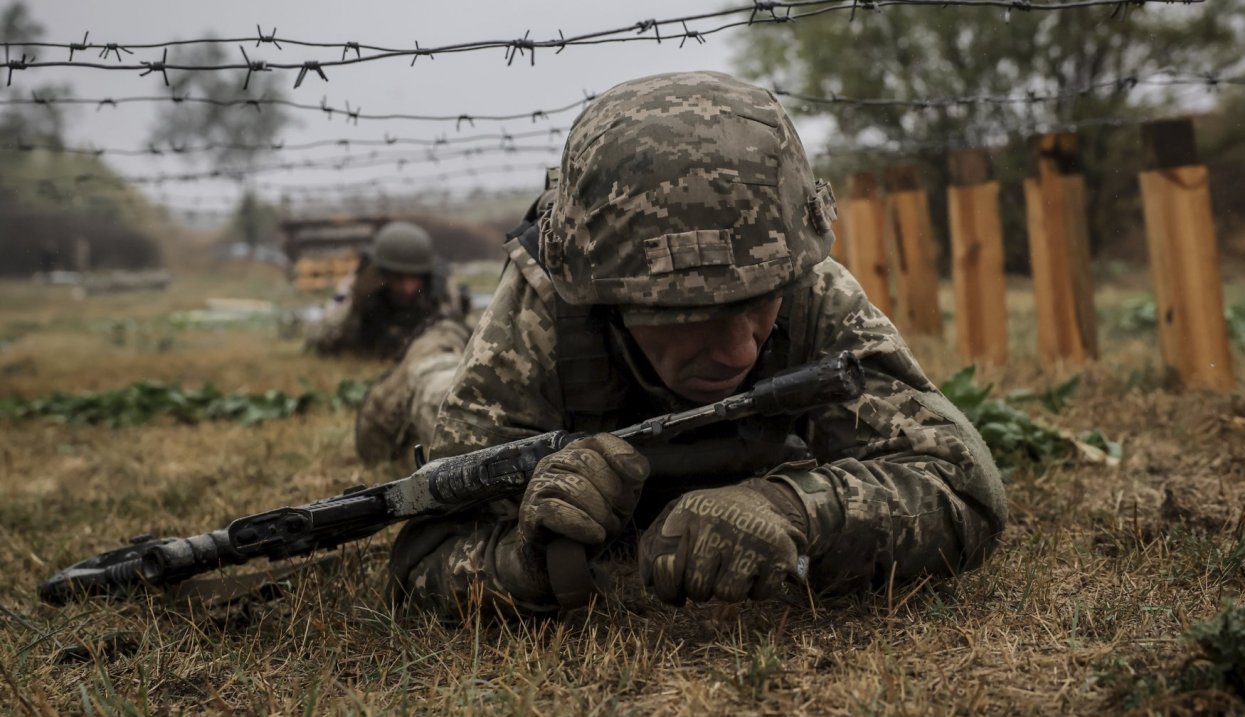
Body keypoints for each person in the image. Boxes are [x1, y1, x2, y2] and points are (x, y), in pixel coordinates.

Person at [387, 71, 1006, 618]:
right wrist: (533, 560)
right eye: (691, 314)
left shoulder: (805, 283)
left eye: (758, 302)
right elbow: (425, 557)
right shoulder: (542, 316)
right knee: (433, 382)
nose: (740, 351)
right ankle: (427, 355)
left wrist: (799, 511)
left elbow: (963, 482)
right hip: (471, 385)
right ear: (603, 296)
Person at [305, 220, 464, 359]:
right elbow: (320, 338)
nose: (407, 289)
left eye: (414, 279)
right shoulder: (359, 286)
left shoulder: (440, 290)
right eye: (398, 279)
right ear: (382, 275)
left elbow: (460, 331)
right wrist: (355, 300)